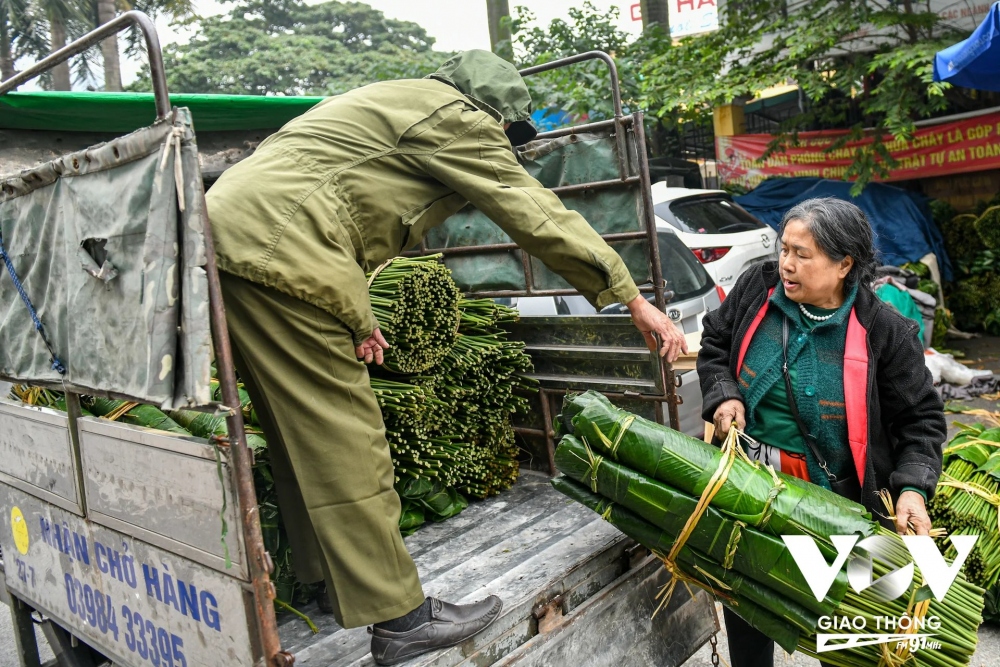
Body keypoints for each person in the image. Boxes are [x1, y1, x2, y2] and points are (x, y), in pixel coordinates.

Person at [205, 49, 686, 666]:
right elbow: (533, 211)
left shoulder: (393, 101)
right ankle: (400, 618)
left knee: (301, 430)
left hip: (238, 241)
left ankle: (328, 582)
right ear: (496, 112)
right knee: (347, 433)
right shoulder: (457, 116)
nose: (505, 146)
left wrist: (357, 307)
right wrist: (630, 298)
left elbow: (345, 205)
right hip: (284, 246)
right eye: (509, 135)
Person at [697, 198, 945, 667]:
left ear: (844, 264)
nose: (786, 265)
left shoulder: (885, 332)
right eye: (784, 250)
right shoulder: (757, 287)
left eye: (802, 254)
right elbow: (714, 343)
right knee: (750, 595)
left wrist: (912, 488)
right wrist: (724, 394)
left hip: (839, 495)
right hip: (749, 479)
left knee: (851, 621)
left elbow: (921, 421)